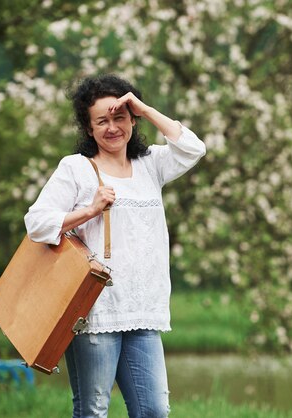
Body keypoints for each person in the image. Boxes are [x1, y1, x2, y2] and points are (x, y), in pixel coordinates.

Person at [24, 74, 206, 418]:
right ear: (88, 128)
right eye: (101, 121)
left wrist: (145, 108)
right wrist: (89, 210)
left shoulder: (150, 164)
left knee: (154, 410)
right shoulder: (76, 168)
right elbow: (36, 223)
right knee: (93, 410)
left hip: (144, 311)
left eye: (119, 117)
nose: (112, 128)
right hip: (95, 311)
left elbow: (194, 148)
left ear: (132, 120)